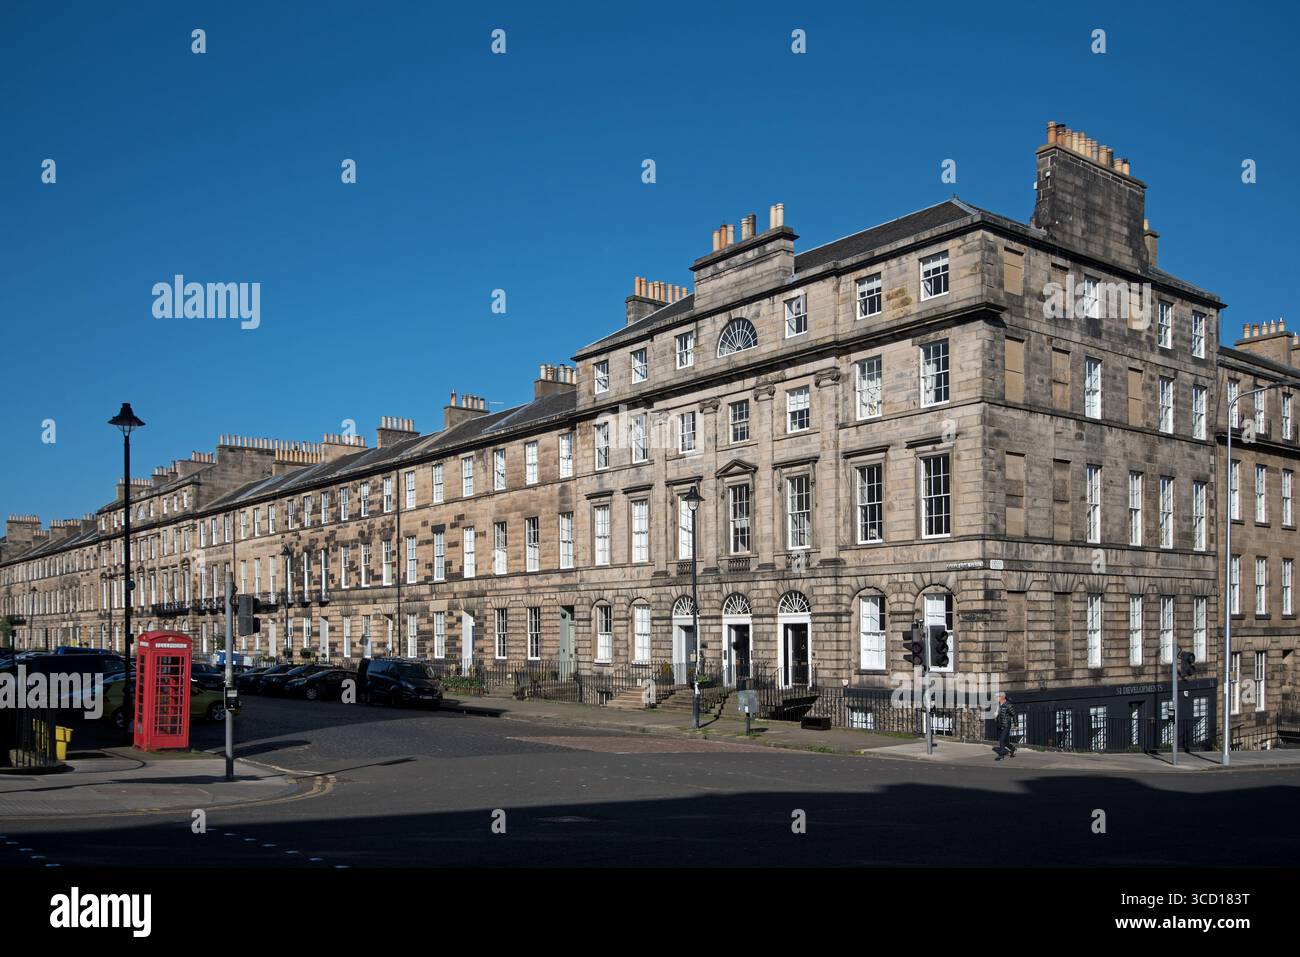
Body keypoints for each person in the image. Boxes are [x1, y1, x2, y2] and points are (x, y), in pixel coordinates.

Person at [993, 691, 1017, 760]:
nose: (997, 698)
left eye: (998, 697)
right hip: (1000, 725)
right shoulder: (998, 705)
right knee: (1005, 742)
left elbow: (1014, 714)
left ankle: (1001, 755)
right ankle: (1013, 748)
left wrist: (1016, 724)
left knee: (1001, 740)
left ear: (1002, 697)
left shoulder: (1008, 705)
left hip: (1006, 725)